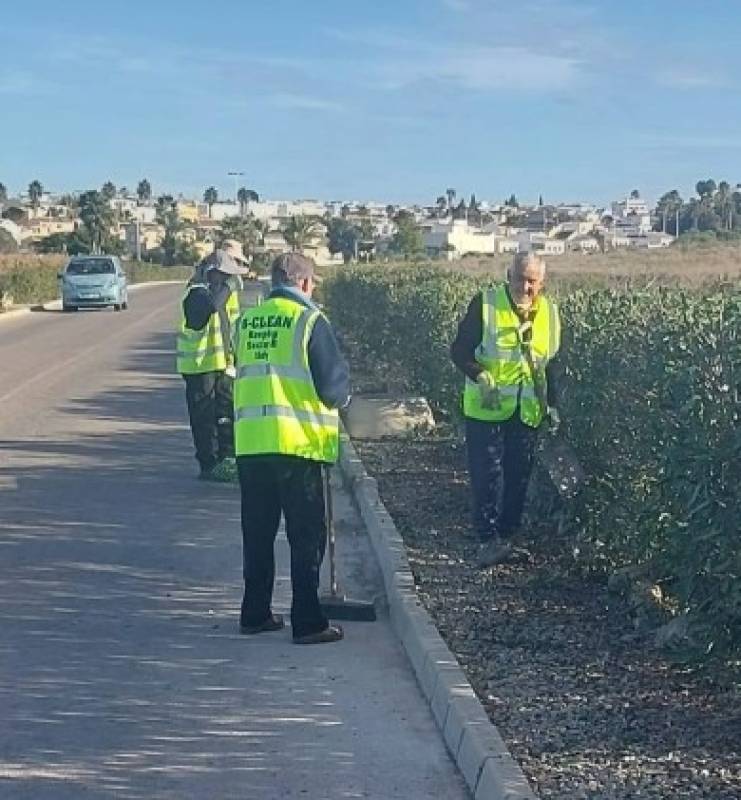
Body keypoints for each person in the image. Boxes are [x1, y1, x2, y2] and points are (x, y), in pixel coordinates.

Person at [233, 253, 351, 644]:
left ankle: (255, 613)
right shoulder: (310, 321)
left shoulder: (247, 321)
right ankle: (308, 620)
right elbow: (334, 390)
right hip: (298, 445)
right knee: (305, 536)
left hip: (252, 444)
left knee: (258, 532)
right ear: (303, 283)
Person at [450, 252, 561, 567]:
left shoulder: (550, 314)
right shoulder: (485, 305)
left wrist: (553, 404)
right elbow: (459, 350)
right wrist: (479, 374)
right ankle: (486, 539)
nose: (525, 287)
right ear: (508, 275)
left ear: (542, 283)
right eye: (520, 278)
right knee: (487, 476)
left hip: (526, 411)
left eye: (532, 281)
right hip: (486, 410)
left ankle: (508, 537)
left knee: (519, 477)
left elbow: (551, 364)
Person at [176, 248, 249, 481]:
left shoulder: (223, 292)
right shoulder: (196, 293)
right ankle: (208, 464)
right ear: (211, 273)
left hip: (223, 364)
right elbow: (208, 310)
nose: (230, 280)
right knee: (204, 419)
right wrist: (228, 288)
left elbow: (230, 325)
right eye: (225, 275)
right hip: (199, 367)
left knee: (225, 413)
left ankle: (226, 459)